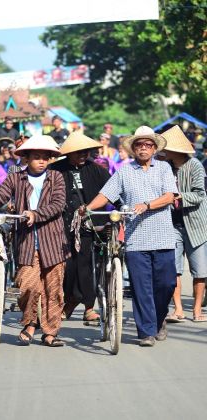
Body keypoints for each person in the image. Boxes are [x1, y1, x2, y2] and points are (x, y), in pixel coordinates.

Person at [0, 135, 69, 347]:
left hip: (53, 240)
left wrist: (35, 214)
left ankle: (50, 332)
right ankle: (30, 323)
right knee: (27, 286)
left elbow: (58, 204)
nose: (41, 161)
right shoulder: (16, 178)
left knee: (54, 289)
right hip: (26, 241)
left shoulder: (56, 177)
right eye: (37, 157)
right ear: (27, 158)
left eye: (45, 157)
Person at [80, 126, 178, 347]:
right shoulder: (124, 171)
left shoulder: (163, 168)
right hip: (136, 239)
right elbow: (106, 194)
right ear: (133, 149)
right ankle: (146, 332)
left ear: (154, 149)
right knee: (141, 286)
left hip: (163, 236)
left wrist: (147, 205)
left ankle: (159, 318)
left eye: (148, 145)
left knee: (166, 284)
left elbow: (170, 196)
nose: (143, 148)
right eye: (139, 145)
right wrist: (86, 208)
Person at [51, 131, 111, 323]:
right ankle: (71, 299)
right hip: (61, 224)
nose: (84, 155)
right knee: (67, 267)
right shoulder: (55, 170)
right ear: (69, 153)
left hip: (88, 225)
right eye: (79, 152)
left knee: (86, 265)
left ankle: (89, 307)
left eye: (86, 151)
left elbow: (113, 193)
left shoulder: (98, 170)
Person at [161, 125, 207, 323]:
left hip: (196, 223)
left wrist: (179, 196)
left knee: (200, 270)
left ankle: (197, 310)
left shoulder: (195, 165)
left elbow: (200, 194)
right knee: (174, 268)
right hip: (172, 223)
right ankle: (178, 309)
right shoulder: (163, 167)